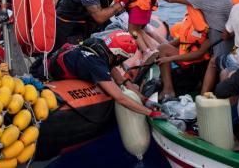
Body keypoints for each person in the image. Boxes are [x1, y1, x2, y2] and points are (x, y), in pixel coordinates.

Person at [147, 0, 233, 100]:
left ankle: (170, 91)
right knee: (165, 47)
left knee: (164, 50)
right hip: (217, 49)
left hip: (210, 57)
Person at [31, 31, 163, 118]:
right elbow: (120, 97)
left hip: (51, 60)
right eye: (122, 59)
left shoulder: (100, 45)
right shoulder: (96, 64)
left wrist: (143, 99)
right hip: (43, 74)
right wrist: (150, 113)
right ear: (117, 55)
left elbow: (114, 72)